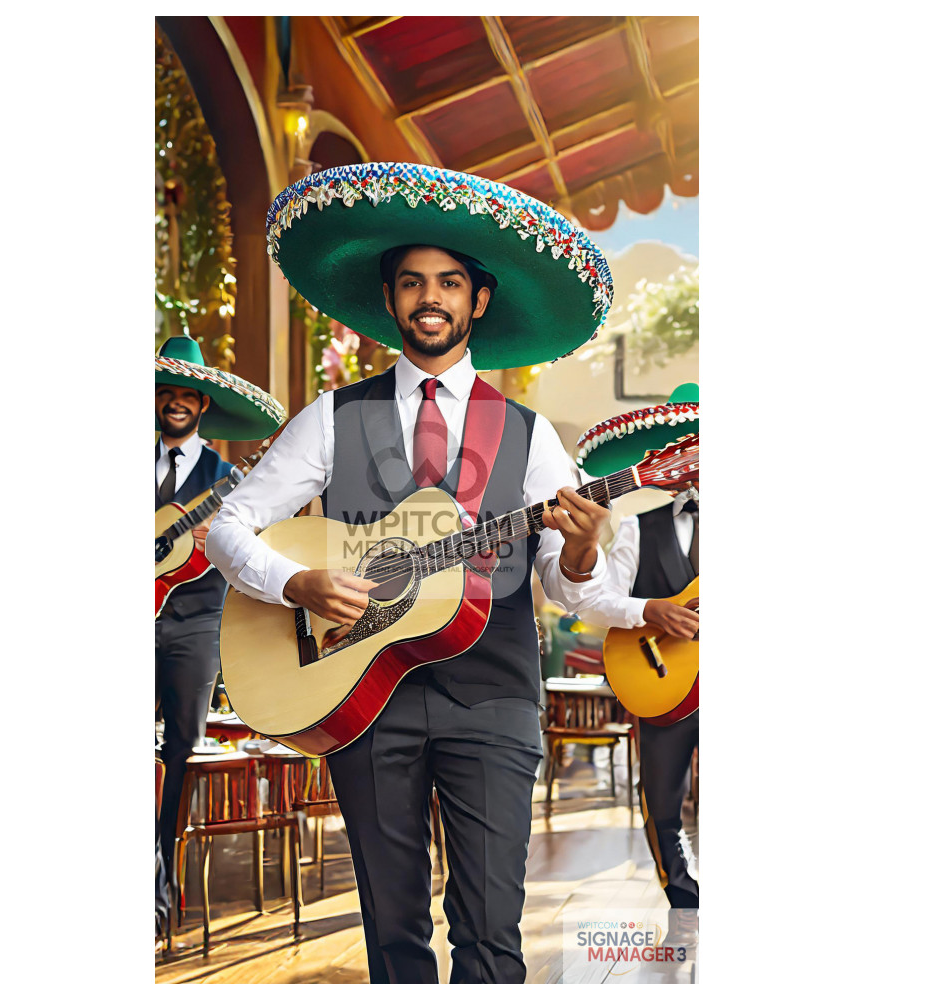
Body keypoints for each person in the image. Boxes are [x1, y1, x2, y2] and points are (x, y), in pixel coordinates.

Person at [207, 162, 629, 983]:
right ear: (391, 300)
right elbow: (230, 525)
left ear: (478, 301)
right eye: (410, 283)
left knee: (491, 933)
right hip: (362, 692)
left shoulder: (533, 435)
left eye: (447, 283)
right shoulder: (333, 418)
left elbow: (566, 583)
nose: (428, 298)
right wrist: (295, 583)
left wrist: (579, 549)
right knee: (393, 936)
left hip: (496, 695)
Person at [154, 335, 285, 945]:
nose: (177, 401)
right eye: (167, 391)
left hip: (197, 621)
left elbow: (261, 537)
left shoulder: (230, 477)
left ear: (204, 404)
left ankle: (165, 883)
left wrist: (223, 536)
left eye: (189, 393)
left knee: (183, 748)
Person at [574, 385, 700, 921]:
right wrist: (649, 610)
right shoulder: (637, 527)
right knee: (661, 790)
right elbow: (597, 602)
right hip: (661, 677)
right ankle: (682, 889)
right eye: (687, 448)